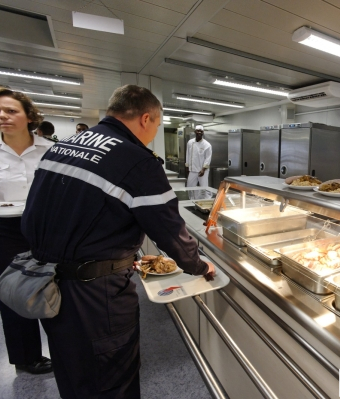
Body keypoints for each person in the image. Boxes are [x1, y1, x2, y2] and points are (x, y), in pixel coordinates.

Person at [21, 85, 215, 398]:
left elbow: (48, 212)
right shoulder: (138, 161)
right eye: (156, 126)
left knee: (72, 370)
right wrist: (198, 264)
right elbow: (168, 229)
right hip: (96, 295)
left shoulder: (64, 146)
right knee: (112, 378)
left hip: (48, 283)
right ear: (146, 118)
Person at [0, 87, 53, 374]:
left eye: (11, 111)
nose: (3, 116)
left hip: (45, 227)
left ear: (29, 116)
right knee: (12, 292)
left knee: (51, 287)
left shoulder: (50, 150)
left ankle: (62, 348)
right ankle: (26, 356)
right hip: (5, 230)